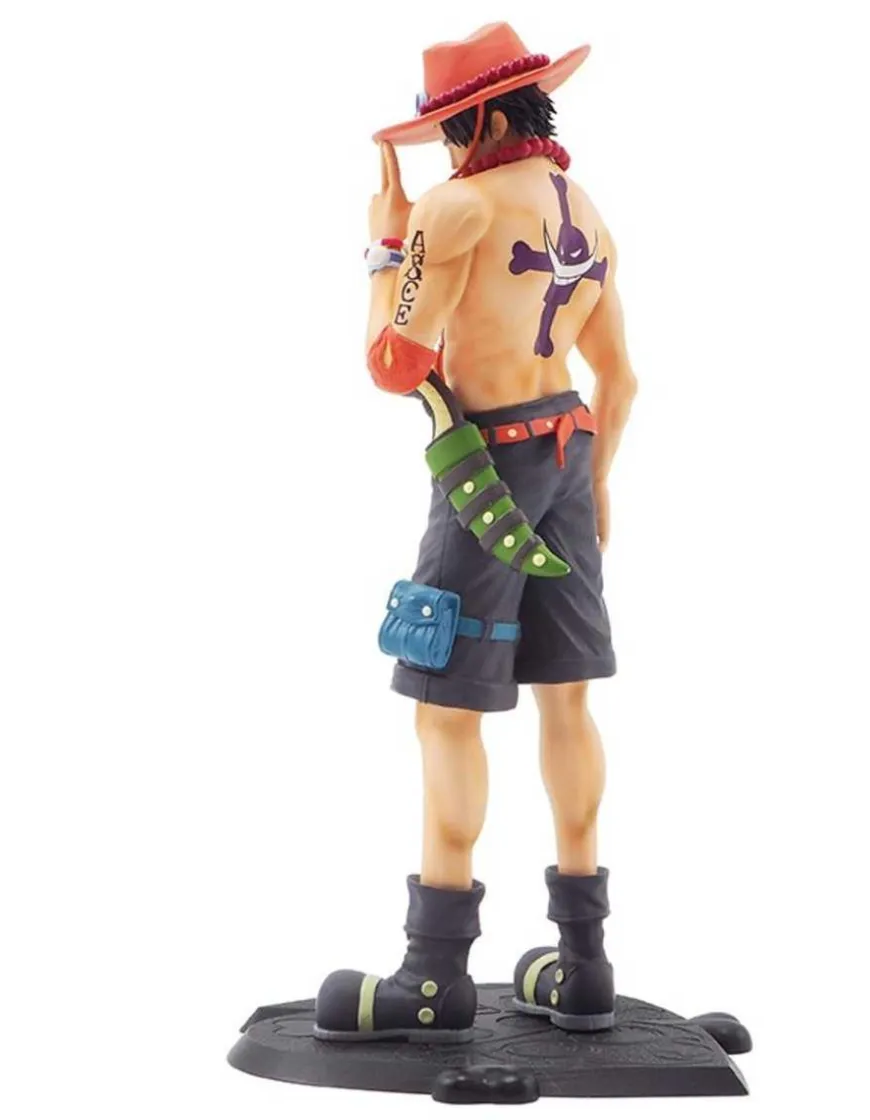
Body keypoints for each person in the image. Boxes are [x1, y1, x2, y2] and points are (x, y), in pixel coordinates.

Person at [314, 22, 638, 1043]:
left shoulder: (455, 208)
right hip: (570, 447)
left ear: (484, 120)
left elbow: (395, 362)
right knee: (566, 700)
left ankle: (432, 975)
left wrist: (386, 242)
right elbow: (621, 377)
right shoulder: (585, 208)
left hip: (488, 463)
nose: (449, 152)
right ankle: (583, 965)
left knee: (446, 707)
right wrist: (597, 487)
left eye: (452, 131)